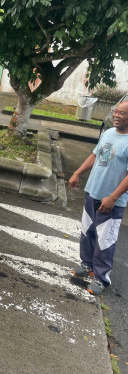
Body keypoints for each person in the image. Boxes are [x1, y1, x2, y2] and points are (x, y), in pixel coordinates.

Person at [69, 101, 128, 295]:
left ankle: (102, 278)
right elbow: (95, 156)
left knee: (105, 241)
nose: (117, 115)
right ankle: (87, 265)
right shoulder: (108, 133)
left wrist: (113, 197)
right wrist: (77, 173)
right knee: (88, 232)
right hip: (92, 192)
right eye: (116, 112)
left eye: (122, 113)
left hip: (111, 201)